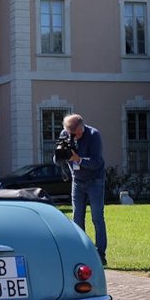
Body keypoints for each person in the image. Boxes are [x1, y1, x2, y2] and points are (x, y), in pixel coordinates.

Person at [53, 114, 107, 265]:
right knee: (77, 218)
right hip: (77, 181)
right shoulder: (66, 134)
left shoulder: (93, 135)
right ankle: (80, 252)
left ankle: (100, 254)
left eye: (75, 134)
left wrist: (78, 159)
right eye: (69, 133)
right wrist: (60, 153)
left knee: (97, 217)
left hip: (95, 180)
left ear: (82, 128)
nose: (73, 137)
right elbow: (57, 161)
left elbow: (96, 162)